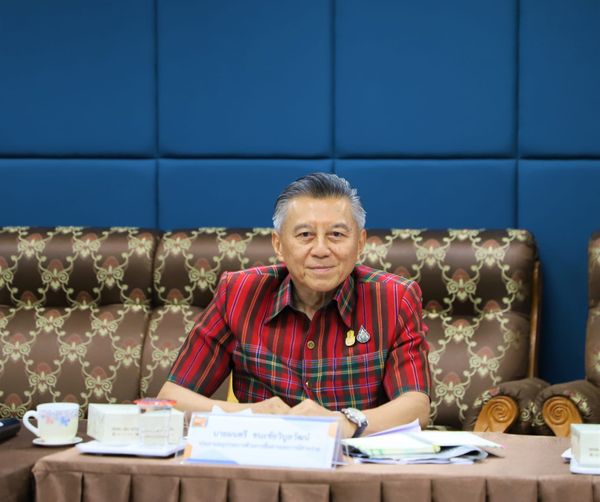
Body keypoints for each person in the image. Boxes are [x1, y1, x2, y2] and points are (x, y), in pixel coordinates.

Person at [158, 173, 430, 438]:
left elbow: (416, 407)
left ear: (359, 244)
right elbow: (172, 399)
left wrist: (344, 423)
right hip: (262, 460)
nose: (321, 249)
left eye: (336, 234)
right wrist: (251, 415)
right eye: (305, 235)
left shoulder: (394, 299)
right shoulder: (239, 294)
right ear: (278, 244)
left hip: (353, 462)